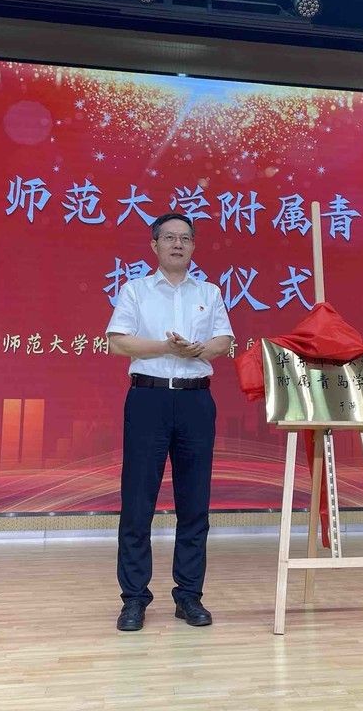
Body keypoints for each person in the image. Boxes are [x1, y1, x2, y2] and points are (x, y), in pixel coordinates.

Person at [105, 212, 234, 632]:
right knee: (137, 502)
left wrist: (198, 350)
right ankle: (134, 599)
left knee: (194, 503)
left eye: (185, 238)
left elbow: (224, 340)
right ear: (154, 245)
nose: (178, 244)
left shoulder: (209, 292)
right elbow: (118, 342)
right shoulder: (136, 290)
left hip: (196, 401)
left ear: (193, 246)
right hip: (149, 399)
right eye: (169, 238)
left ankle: (189, 596)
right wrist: (166, 347)